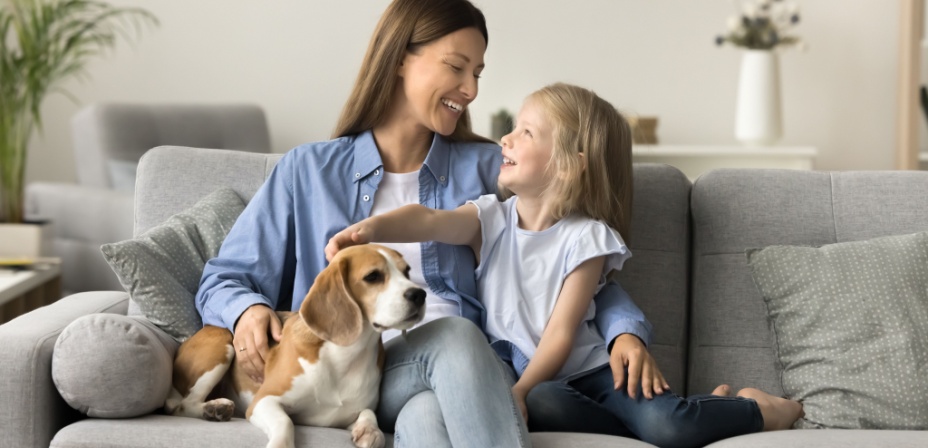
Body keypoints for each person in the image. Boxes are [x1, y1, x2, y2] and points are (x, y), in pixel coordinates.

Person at [196, 1, 668, 446]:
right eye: (456, 66)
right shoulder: (308, 171)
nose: (472, 89)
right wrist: (245, 310)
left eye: (478, 73)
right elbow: (224, 277)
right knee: (455, 339)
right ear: (401, 58)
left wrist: (624, 330)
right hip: (354, 371)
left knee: (425, 413)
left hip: (466, 375)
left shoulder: (492, 169)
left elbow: (567, 258)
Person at [325, 83, 805, 448]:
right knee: (543, 401)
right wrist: (372, 229)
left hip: (595, 373)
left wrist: (517, 392)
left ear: (570, 165)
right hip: (541, 384)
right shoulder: (490, 218)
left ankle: (757, 410)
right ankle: (692, 412)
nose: (505, 139)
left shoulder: (588, 237)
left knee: (669, 426)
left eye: (526, 133)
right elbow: (429, 220)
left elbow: (560, 333)